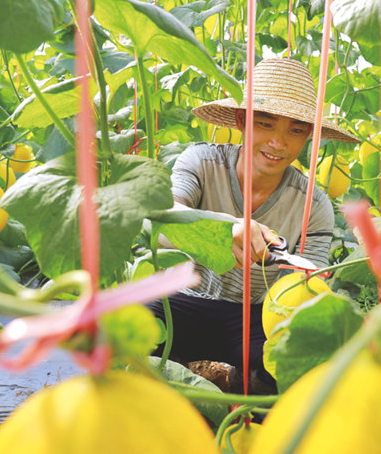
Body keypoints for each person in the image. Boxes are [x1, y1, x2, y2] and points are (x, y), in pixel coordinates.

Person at [148, 57, 358, 392]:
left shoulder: (314, 205)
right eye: (266, 124)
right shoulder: (201, 162)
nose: (279, 142)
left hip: (255, 318)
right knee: (128, 328)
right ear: (242, 120)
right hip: (182, 302)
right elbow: (160, 220)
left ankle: (241, 389)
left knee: (299, 363)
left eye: (296, 130)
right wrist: (222, 228)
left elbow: (300, 298)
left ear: (308, 137)